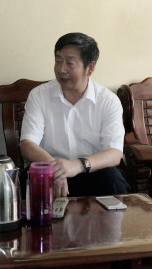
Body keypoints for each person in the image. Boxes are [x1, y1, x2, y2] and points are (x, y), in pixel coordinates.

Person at [20, 32, 130, 198]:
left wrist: (78, 165)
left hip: (91, 172)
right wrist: (56, 169)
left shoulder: (108, 101)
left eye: (70, 63)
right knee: (27, 179)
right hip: (49, 171)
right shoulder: (39, 95)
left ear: (90, 68)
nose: (61, 69)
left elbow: (114, 153)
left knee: (113, 179)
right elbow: (27, 144)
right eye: (58, 61)